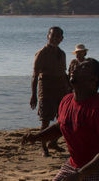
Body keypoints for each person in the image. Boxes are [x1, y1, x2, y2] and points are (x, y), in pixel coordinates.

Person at [30, 26, 70, 157]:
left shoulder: (62, 53)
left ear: (62, 39)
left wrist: (70, 90)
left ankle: (53, 142)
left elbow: (64, 74)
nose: (55, 39)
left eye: (58, 37)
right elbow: (35, 76)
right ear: (48, 36)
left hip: (61, 89)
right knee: (45, 120)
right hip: (46, 89)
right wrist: (33, 95)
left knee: (63, 119)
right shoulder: (42, 53)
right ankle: (44, 148)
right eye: (53, 36)